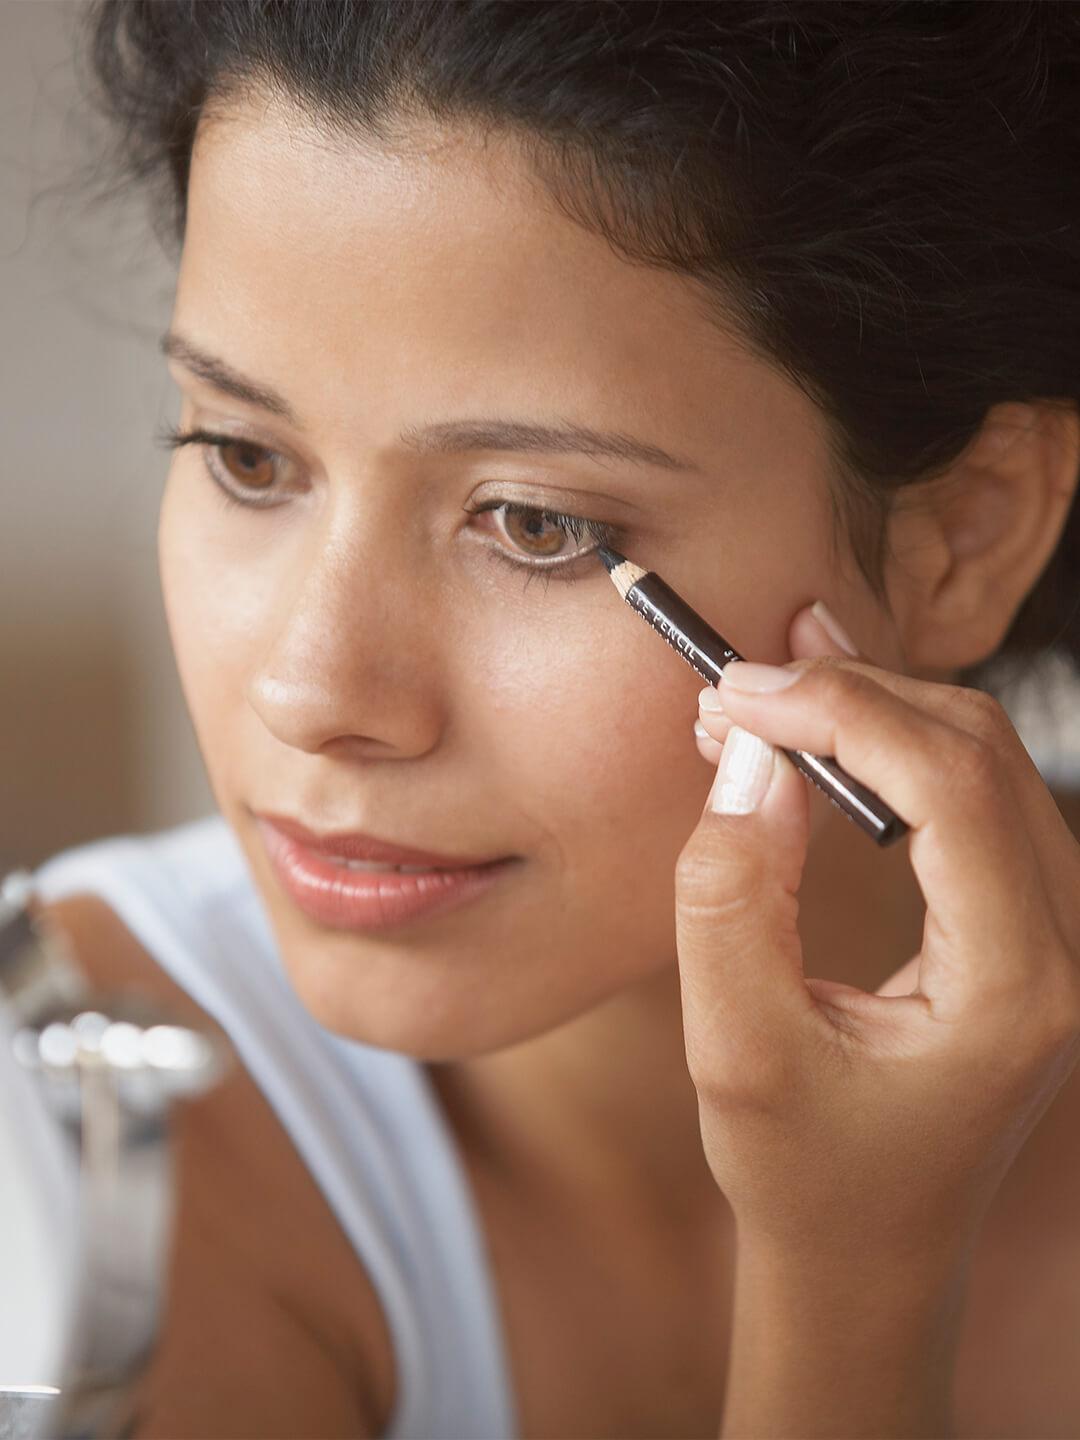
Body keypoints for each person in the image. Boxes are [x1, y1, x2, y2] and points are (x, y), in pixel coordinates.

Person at [29, 1, 1080, 1435]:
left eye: (534, 523)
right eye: (245, 456)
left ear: (963, 535)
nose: (312, 694)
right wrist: (856, 1287)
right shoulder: (76, 1148)